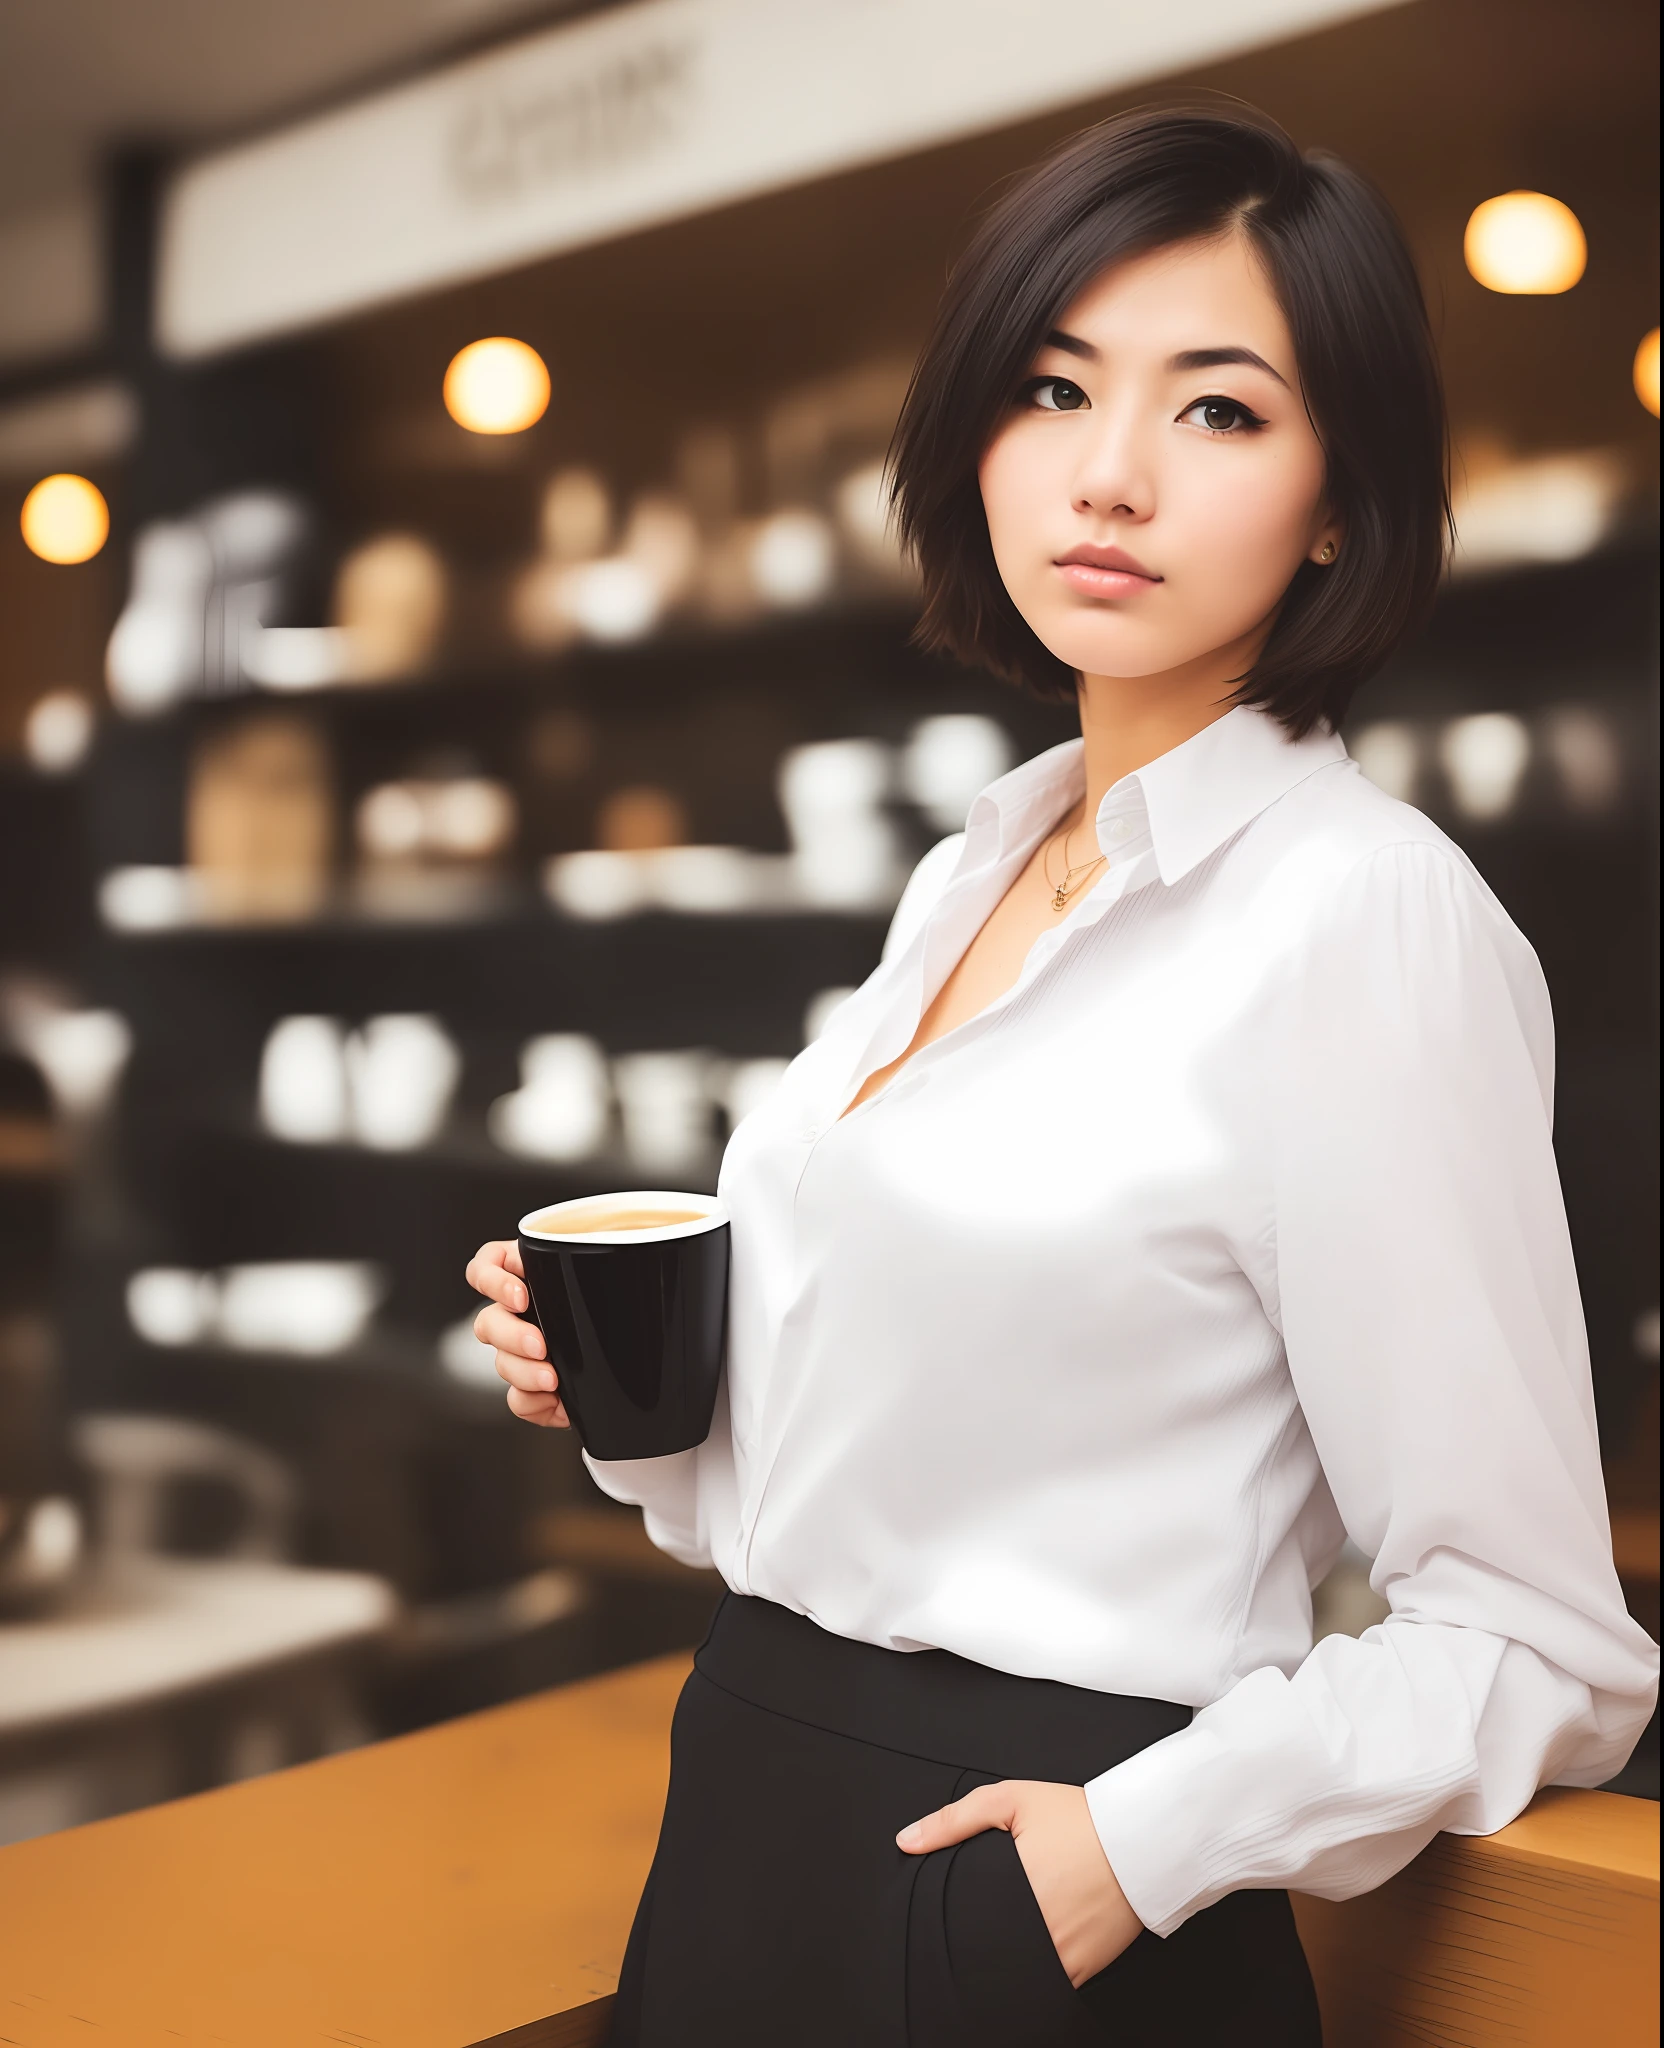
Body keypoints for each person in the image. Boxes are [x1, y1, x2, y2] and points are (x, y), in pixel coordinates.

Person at [467, 105, 1659, 2047]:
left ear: (1338, 496)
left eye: (1216, 411)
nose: (1109, 474)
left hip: (1032, 1895)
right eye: (1051, 386)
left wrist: (1136, 1848)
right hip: (746, 1809)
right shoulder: (974, 869)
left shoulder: (1364, 917)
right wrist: (633, 1398)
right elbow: (860, 1471)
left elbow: (1534, 1638)